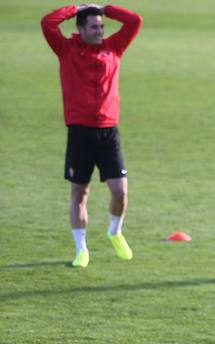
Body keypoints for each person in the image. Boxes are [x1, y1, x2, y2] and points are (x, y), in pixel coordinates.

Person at [41, 3, 142, 268]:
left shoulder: (114, 48)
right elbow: (48, 23)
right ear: (80, 29)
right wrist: (76, 8)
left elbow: (134, 21)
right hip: (80, 132)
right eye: (94, 26)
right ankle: (81, 249)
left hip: (109, 131)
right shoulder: (66, 50)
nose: (100, 31)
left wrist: (105, 8)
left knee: (120, 191)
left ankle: (115, 231)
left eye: (101, 26)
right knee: (79, 193)